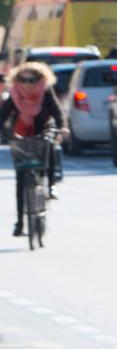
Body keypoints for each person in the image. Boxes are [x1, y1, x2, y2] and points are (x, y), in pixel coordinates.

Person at [1, 62, 65, 236]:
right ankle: (20, 223)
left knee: (50, 147)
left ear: (41, 79)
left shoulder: (45, 91)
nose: (28, 83)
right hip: (20, 136)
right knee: (21, 181)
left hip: (42, 131)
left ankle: (51, 185)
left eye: (32, 79)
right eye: (23, 79)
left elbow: (57, 112)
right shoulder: (14, 95)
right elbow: (3, 116)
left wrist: (62, 127)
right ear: (16, 79)